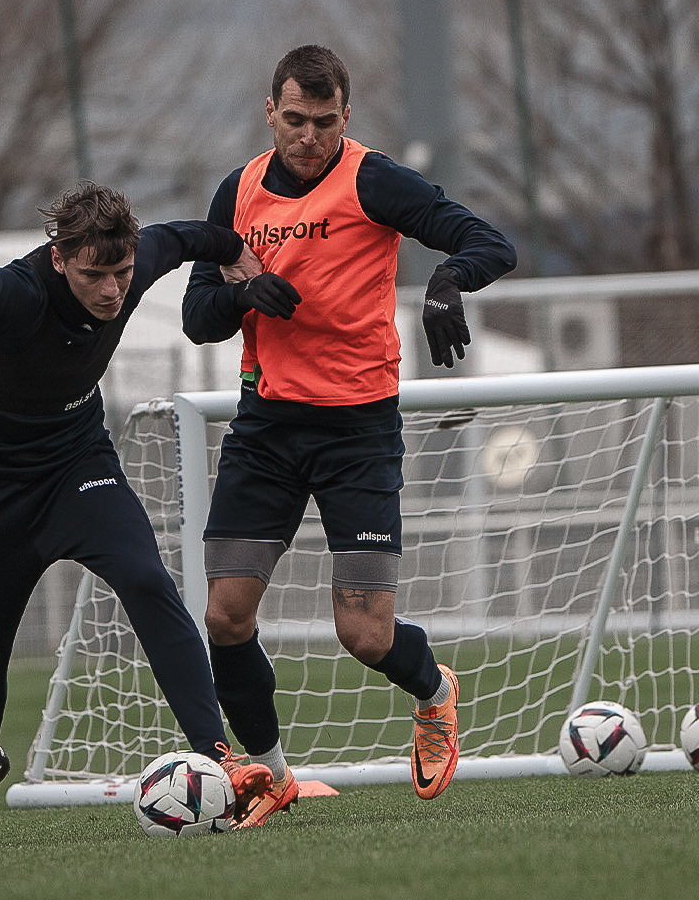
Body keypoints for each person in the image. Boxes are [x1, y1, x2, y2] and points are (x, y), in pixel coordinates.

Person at [0, 182, 275, 845]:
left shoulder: (135, 260)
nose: (113, 289)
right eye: (95, 274)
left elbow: (189, 237)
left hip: (76, 466)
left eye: (121, 273)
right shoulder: (15, 293)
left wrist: (234, 252)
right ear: (60, 259)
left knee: (147, 580)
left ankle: (218, 757)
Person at [182, 44, 517, 827]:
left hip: (358, 428)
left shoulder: (373, 179)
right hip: (265, 427)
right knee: (226, 617)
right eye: (294, 120)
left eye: (324, 122)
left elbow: (490, 244)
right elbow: (201, 315)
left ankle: (435, 692)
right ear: (270, 113)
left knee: (363, 635)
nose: (308, 137)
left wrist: (445, 281)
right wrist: (243, 296)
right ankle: (267, 776)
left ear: (347, 116)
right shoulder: (236, 193)